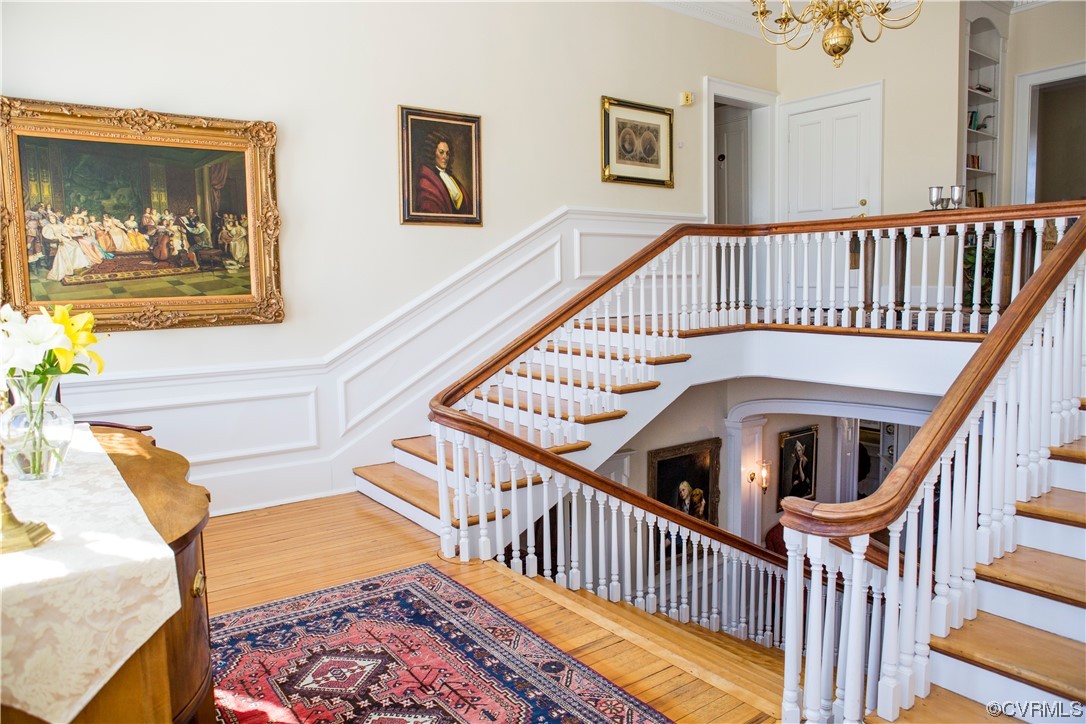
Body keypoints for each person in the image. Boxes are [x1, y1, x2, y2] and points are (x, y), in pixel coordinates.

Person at [414, 132, 471, 215]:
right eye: (441, 152)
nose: (445, 157)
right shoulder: (426, 180)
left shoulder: (451, 178)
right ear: (432, 153)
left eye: (447, 153)